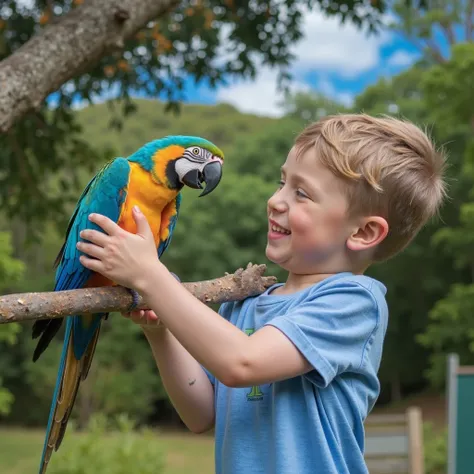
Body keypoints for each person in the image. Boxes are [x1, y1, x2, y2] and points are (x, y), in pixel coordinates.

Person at [76, 113, 446, 474]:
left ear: (363, 233)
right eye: (281, 182)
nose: (275, 200)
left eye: (301, 193)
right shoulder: (246, 305)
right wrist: (161, 332)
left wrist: (150, 276)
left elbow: (243, 363)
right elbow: (202, 414)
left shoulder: (354, 302)